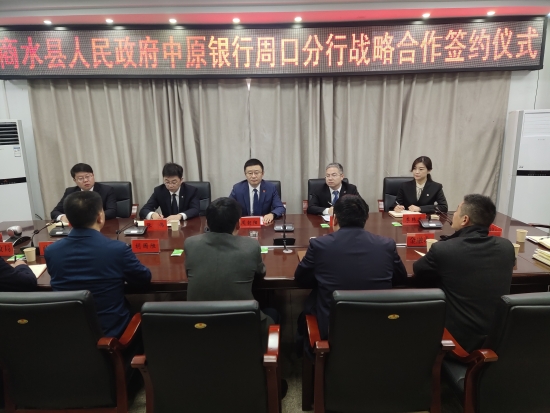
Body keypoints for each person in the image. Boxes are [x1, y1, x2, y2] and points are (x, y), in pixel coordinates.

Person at [295, 194, 407, 341]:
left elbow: (301, 279)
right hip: (379, 327)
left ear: (335, 219)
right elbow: (400, 278)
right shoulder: (386, 244)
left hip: (333, 330)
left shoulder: (320, 245)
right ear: (366, 218)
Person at [413, 194, 516, 352]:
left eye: (456, 211)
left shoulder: (444, 249)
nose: (453, 214)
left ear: (464, 219)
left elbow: (418, 269)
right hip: (498, 341)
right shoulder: (507, 247)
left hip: (457, 346)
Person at [45, 191, 151, 338]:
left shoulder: (51, 251)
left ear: (68, 220)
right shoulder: (117, 250)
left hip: (69, 333)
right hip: (112, 335)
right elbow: (143, 279)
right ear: (100, 216)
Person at [184, 197, 277, 347]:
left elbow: (189, 273)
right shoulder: (251, 245)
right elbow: (260, 273)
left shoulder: (190, 243)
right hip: (243, 326)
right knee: (273, 313)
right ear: (238, 224)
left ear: (207, 223)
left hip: (199, 324)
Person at [51, 163, 117, 222]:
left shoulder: (106, 190)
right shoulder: (70, 192)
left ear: (93, 176)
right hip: (77, 227)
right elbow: (55, 212)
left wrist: (87, 219)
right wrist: (62, 217)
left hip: (101, 225)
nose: (85, 180)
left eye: (88, 177)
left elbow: (112, 211)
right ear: (75, 180)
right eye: (80, 178)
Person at [229, 159, 285, 225]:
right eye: (250, 173)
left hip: (265, 224)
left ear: (262, 173)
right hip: (245, 225)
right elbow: (228, 207)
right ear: (245, 174)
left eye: (256, 173)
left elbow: (280, 207)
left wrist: (272, 214)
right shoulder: (237, 188)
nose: (253, 176)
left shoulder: (270, 188)